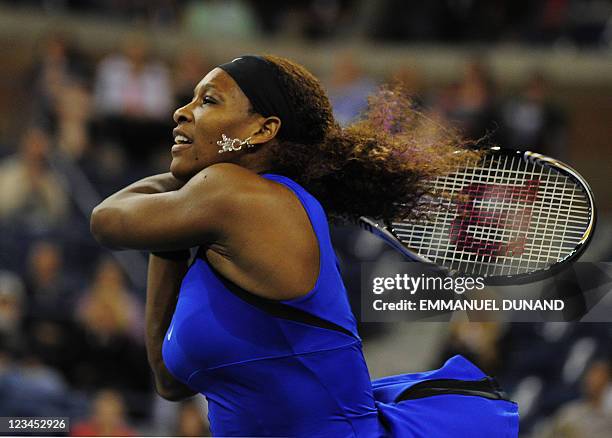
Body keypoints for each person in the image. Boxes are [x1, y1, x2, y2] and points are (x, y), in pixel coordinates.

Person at [91, 54, 518, 437]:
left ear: (263, 129)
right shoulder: (230, 213)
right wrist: (167, 233)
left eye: (209, 101)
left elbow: (106, 220)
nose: (181, 112)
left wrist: (171, 201)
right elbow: (170, 381)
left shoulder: (234, 194)